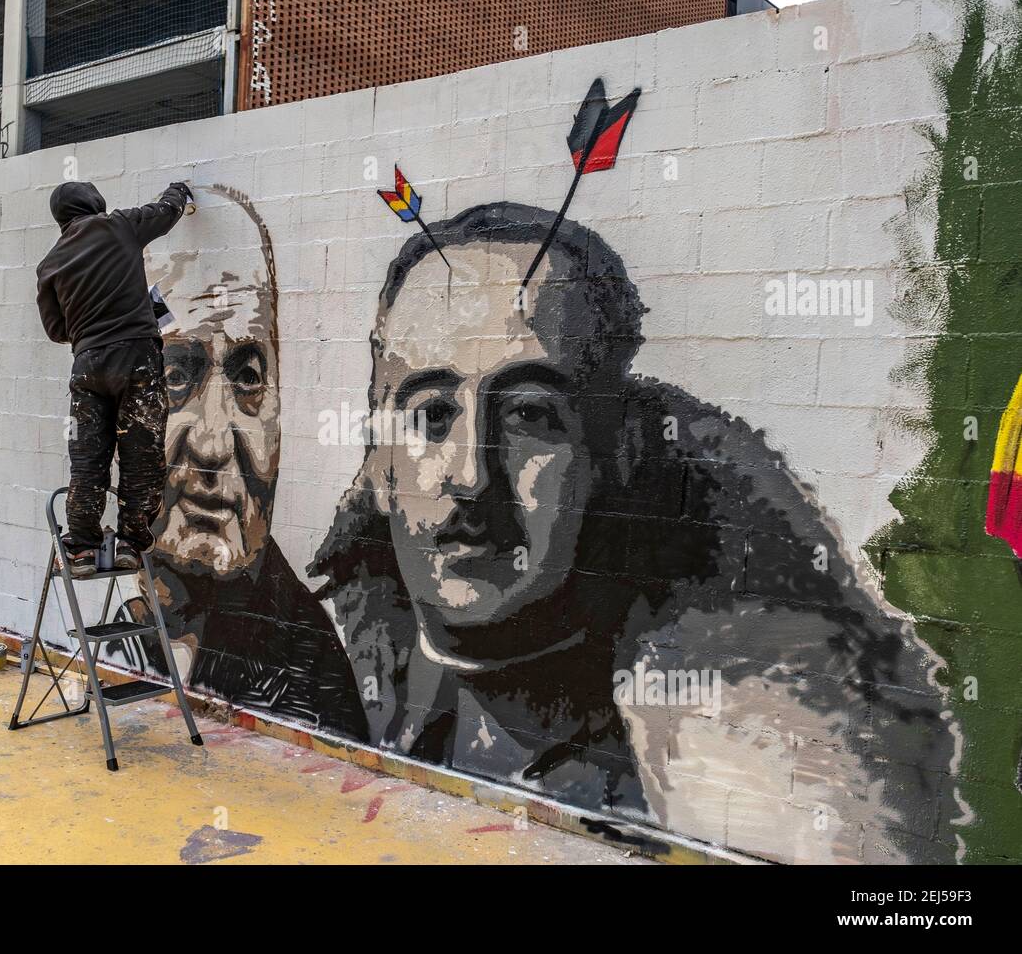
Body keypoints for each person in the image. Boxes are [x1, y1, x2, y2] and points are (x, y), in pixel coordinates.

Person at [310, 201, 962, 862]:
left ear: (613, 454)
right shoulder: (335, 643)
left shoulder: (710, 732)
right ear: (380, 458)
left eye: (531, 416)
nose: (470, 474)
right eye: (429, 415)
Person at [109, 185, 368, 741]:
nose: (212, 444)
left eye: (250, 378)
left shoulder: (311, 682)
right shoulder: (121, 610)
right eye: (177, 376)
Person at [36, 179, 191, 575]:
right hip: (135, 357)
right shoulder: (118, 225)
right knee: (141, 456)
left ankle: (83, 547)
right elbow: (166, 212)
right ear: (95, 203)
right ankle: (129, 545)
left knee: (87, 461)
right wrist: (178, 190)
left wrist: (91, 324)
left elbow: (56, 331)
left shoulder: (51, 262)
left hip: (87, 364)